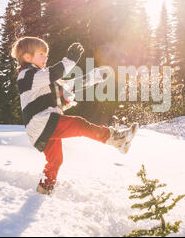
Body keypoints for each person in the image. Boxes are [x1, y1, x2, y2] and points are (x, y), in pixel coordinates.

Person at [11, 37, 138, 195]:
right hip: (42, 122)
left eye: (46, 54)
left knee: (55, 161)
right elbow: (54, 73)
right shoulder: (27, 75)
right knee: (79, 124)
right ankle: (115, 139)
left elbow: (68, 86)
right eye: (42, 54)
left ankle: (43, 190)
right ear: (27, 57)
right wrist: (70, 60)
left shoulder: (41, 78)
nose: (46, 57)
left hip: (43, 125)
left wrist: (94, 77)